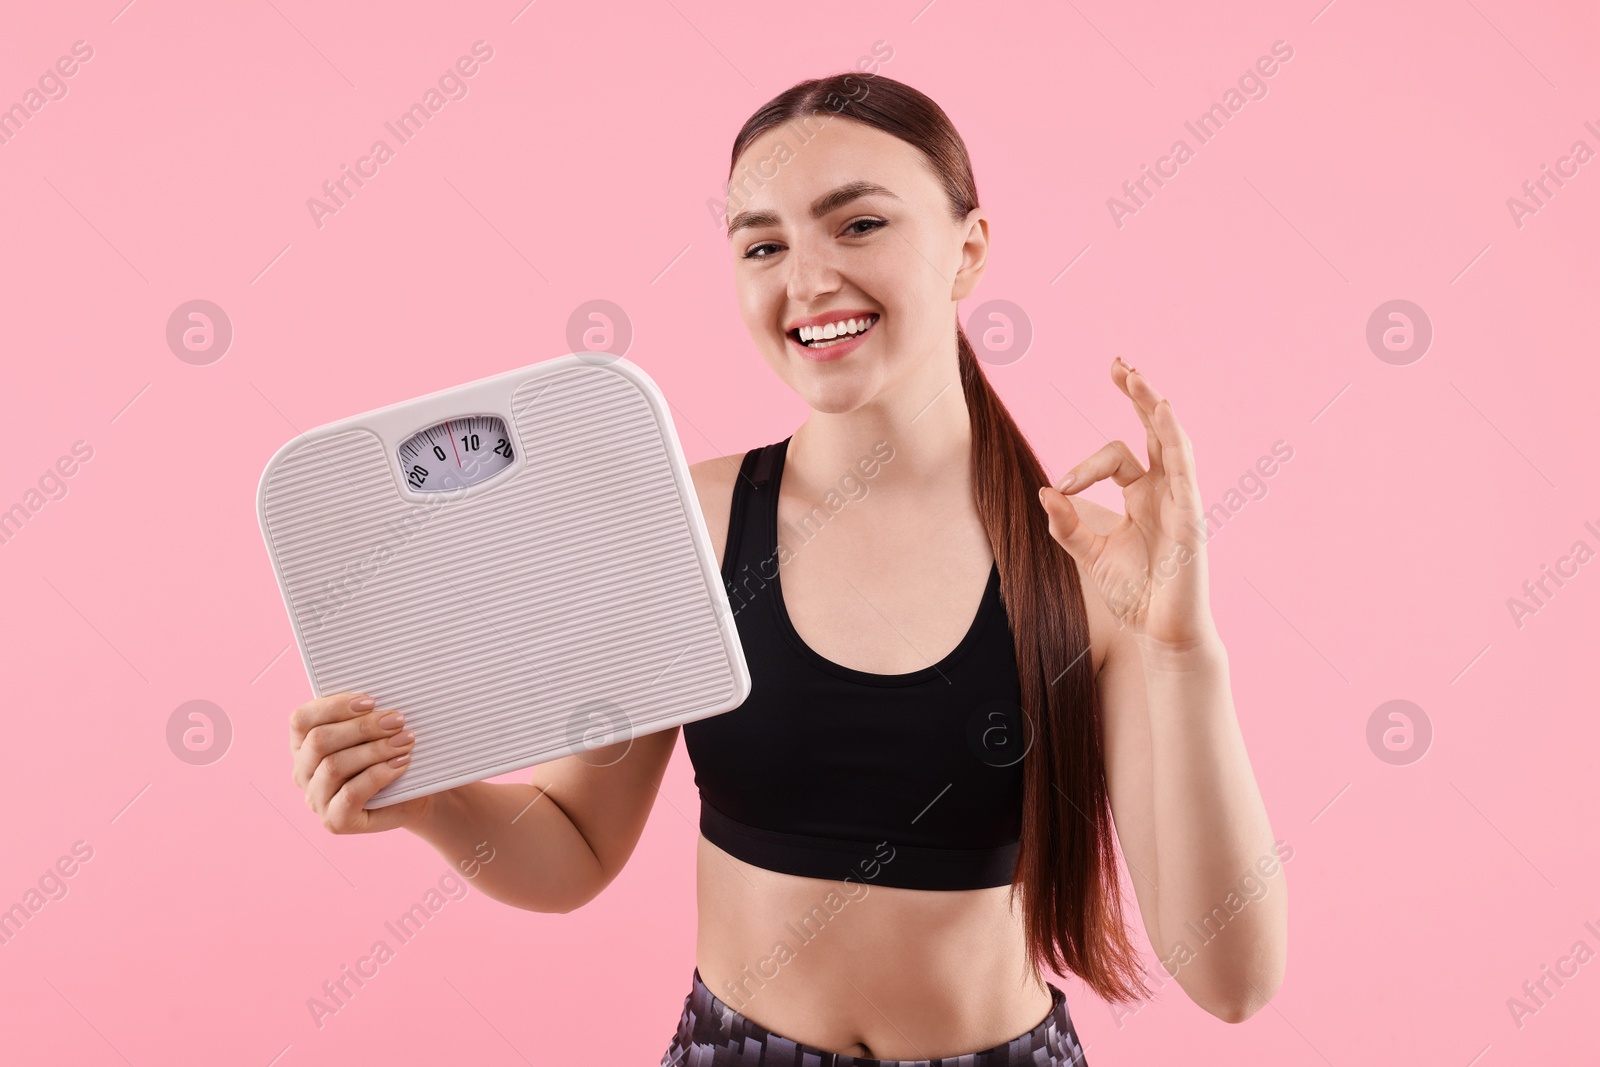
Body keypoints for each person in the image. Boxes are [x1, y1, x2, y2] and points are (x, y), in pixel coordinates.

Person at [287, 73, 1287, 1065]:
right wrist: (427, 799)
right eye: (763, 244)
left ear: (968, 249)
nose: (806, 280)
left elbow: (1231, 977)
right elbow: (573, 846)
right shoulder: (684, 519)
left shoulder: (1086, 563)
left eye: (857, 226)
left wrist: (1182, 649)